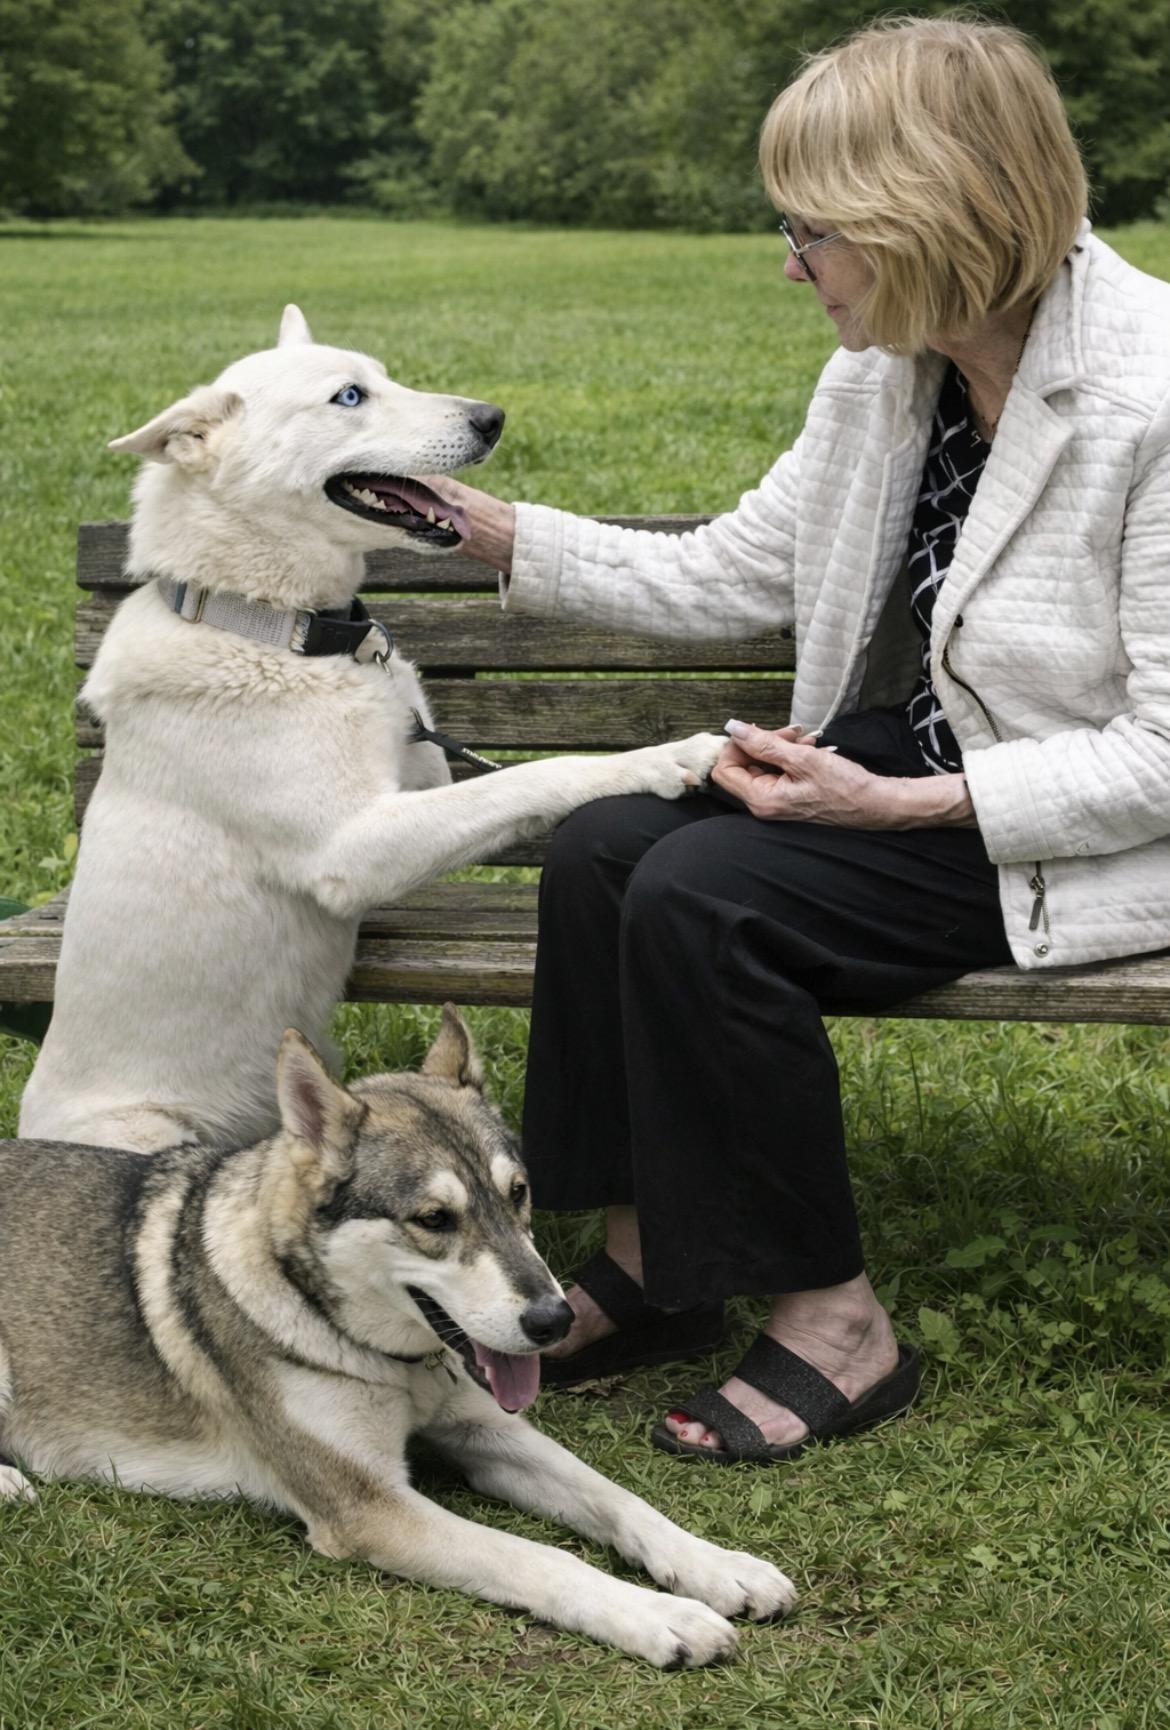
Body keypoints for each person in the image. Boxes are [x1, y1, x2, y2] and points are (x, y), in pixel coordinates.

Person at [428, 16, 1170, 1463]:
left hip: (1083, 820)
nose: (787, 262)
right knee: (602, 851)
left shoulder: (1149, 397)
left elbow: (1160, 751)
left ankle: (837, 1322)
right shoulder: (889, 370)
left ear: (928, 214)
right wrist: (486, 529)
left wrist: (889, 807)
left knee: (710, 893)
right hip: (925, 760)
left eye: (809, 227)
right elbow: (735, 568)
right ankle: (646, 1267)